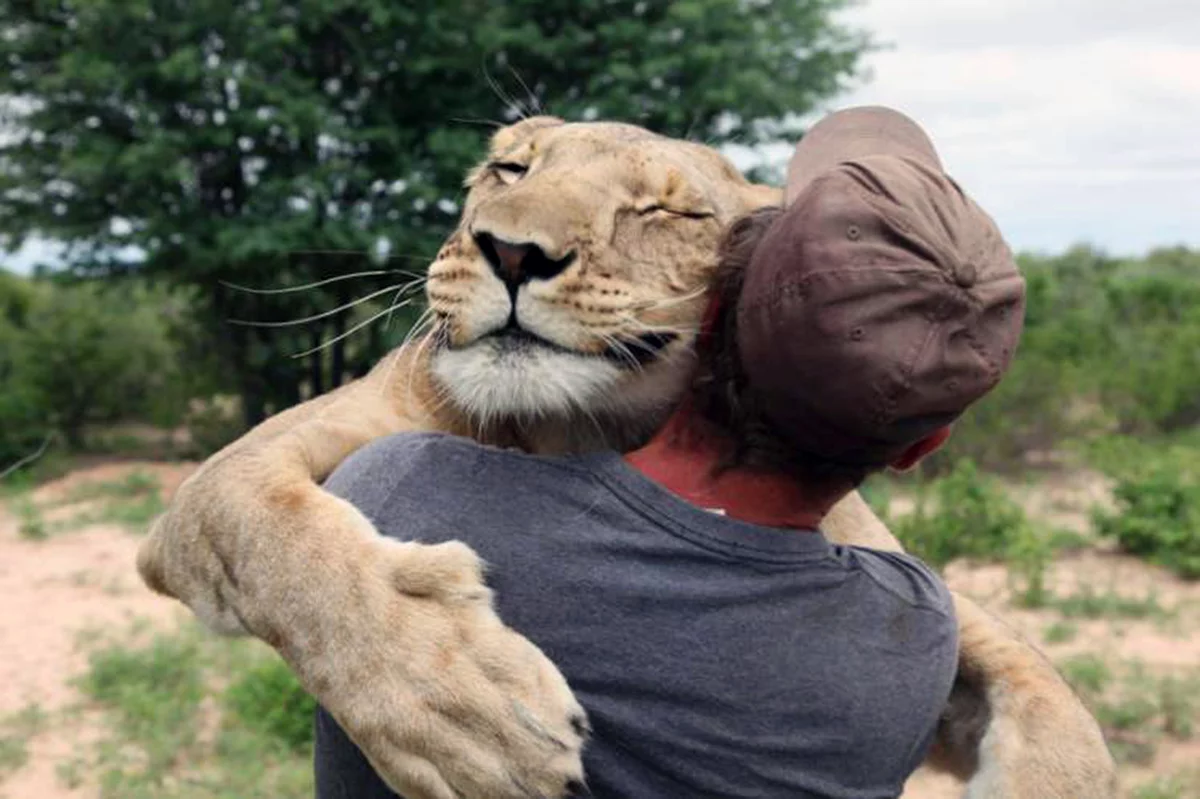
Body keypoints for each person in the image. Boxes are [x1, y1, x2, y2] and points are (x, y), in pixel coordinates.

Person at [312, 106, 1026, 798]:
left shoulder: (401, 491)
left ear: (712, 306)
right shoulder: (913, 636)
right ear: (923, 446)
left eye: (670, 215)